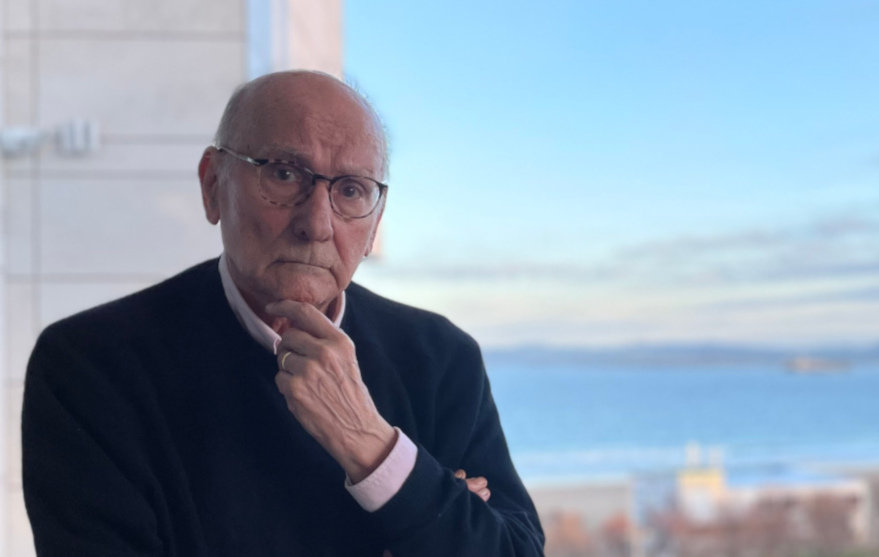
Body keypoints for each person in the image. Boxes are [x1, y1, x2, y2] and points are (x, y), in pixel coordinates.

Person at [22, 70, 545, 556]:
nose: (316, 224)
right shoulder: (92, 365)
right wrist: (430, 514)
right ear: (213, 185)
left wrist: (371, 445)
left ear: (375, 223)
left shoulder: (441, 356)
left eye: (351, 190)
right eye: (285, 174)